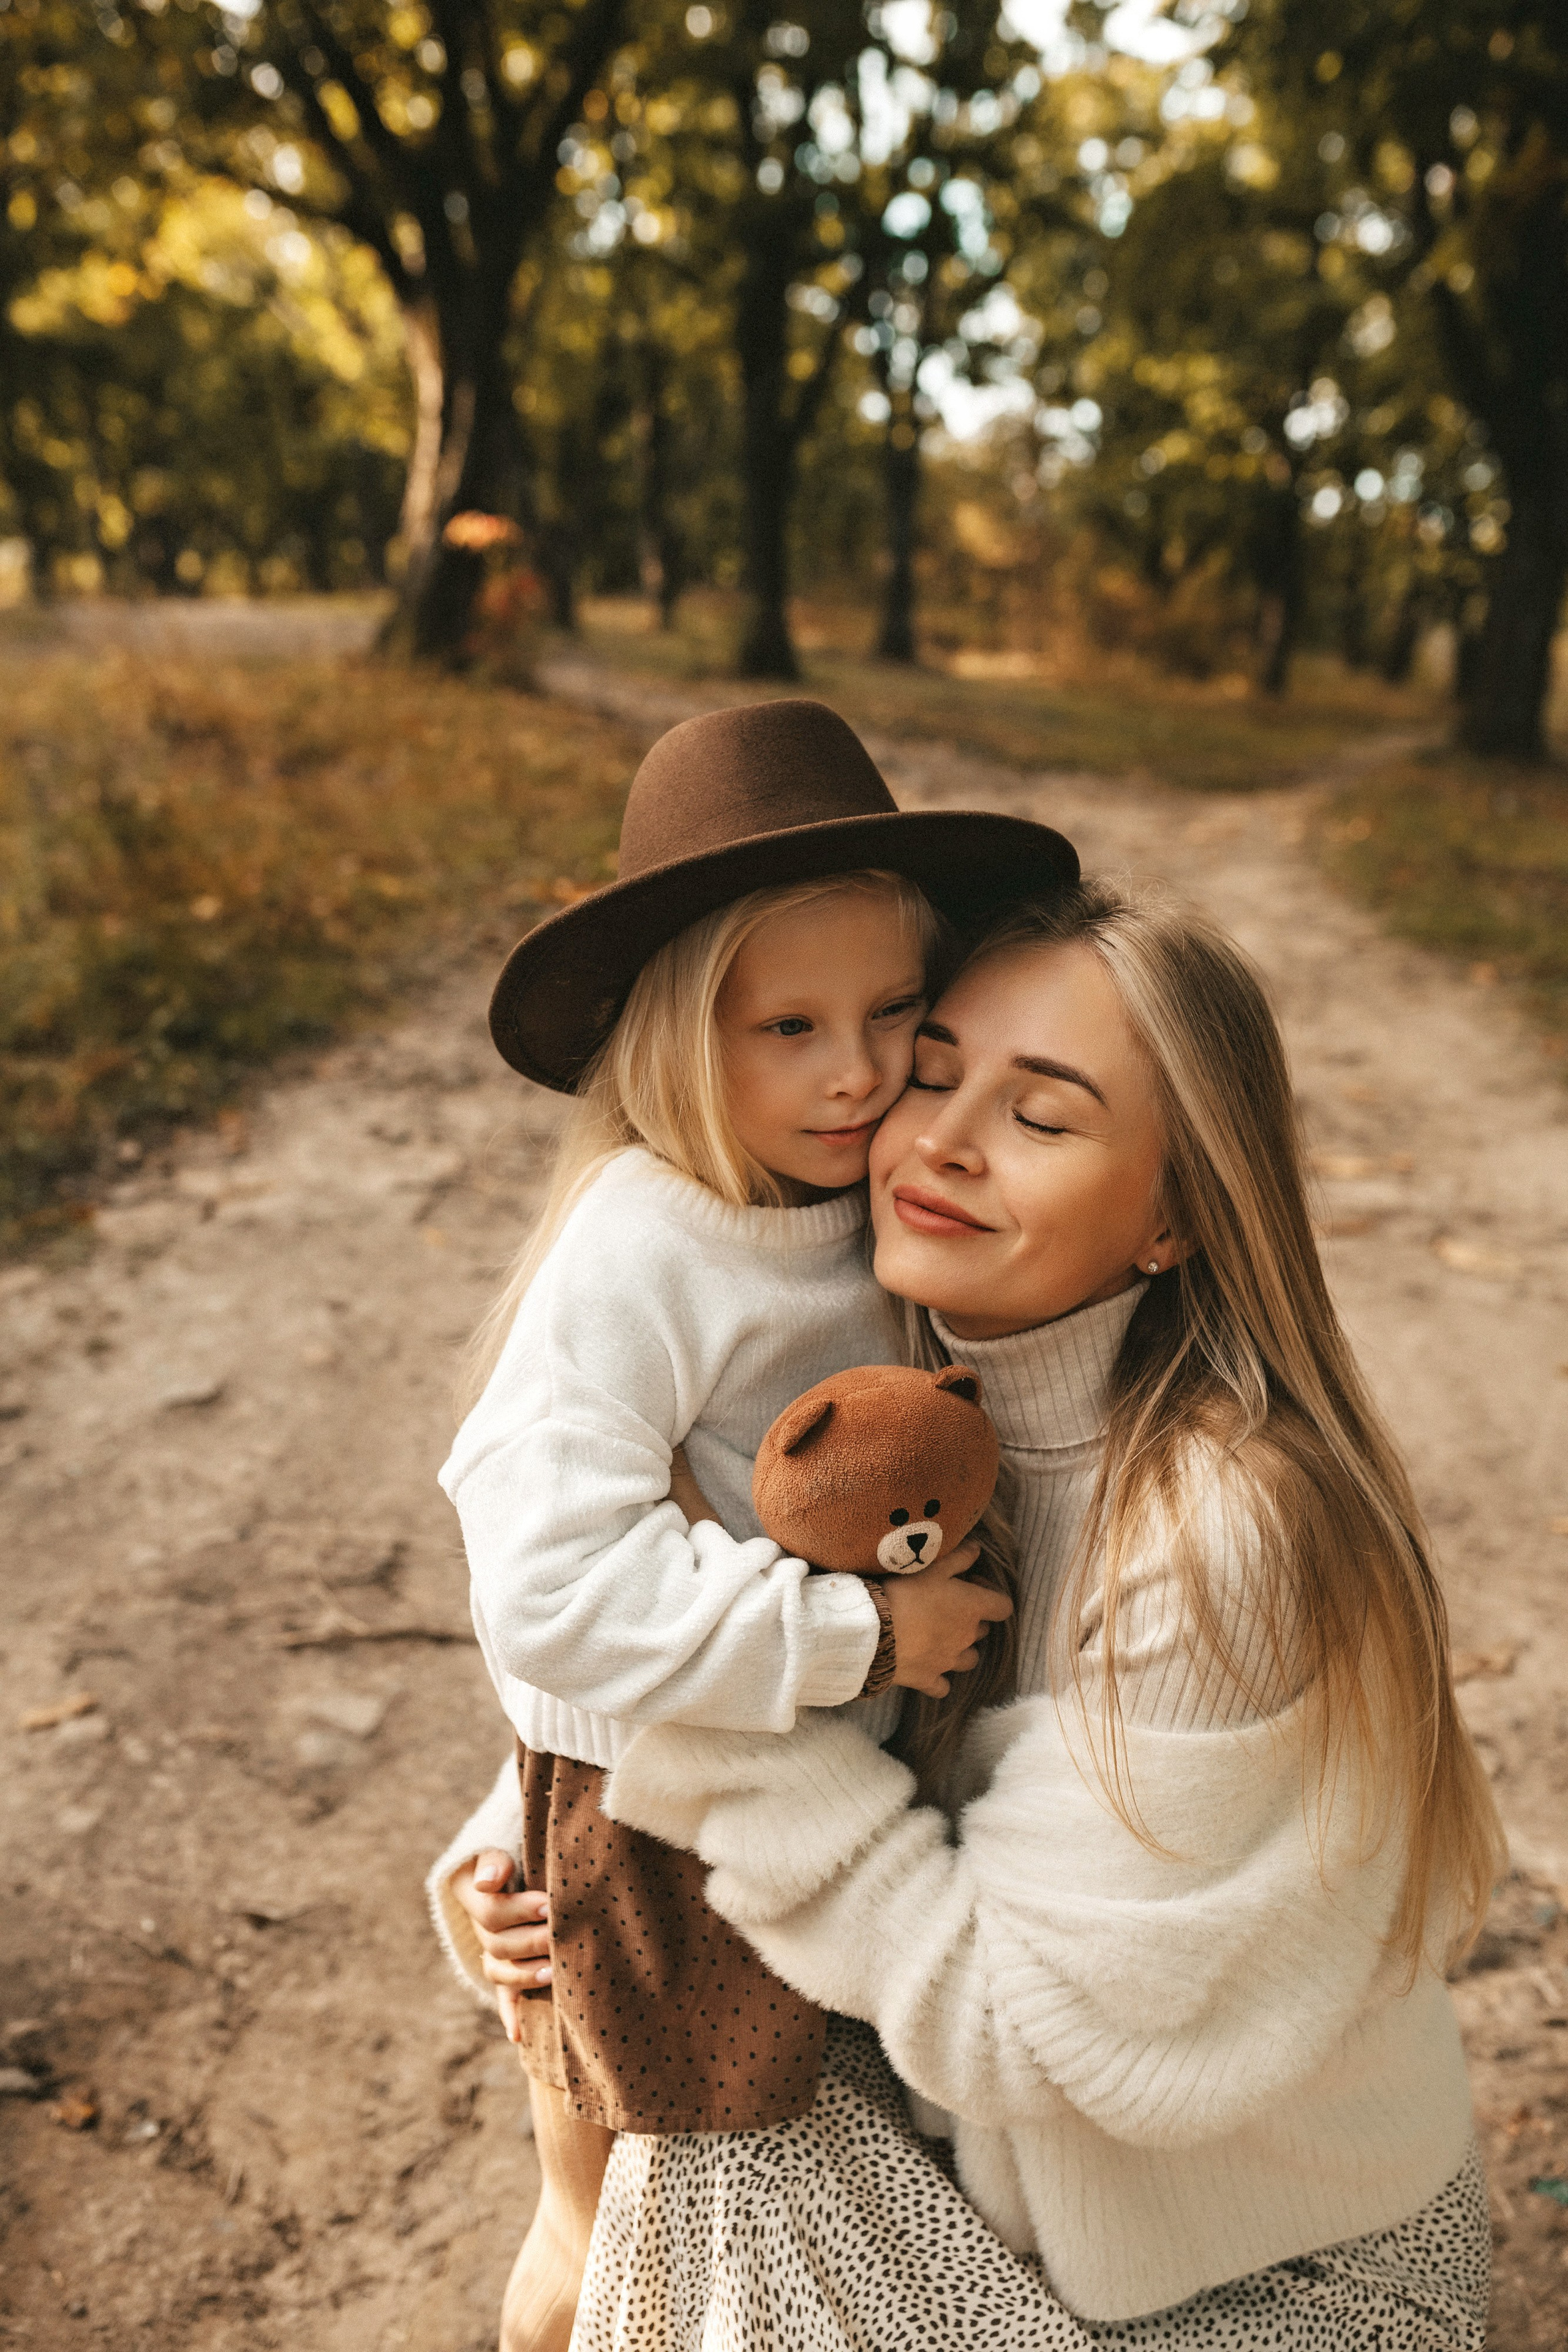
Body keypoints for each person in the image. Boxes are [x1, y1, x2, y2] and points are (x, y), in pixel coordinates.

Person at [470, 878, 1502, 2350]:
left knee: (716, 2167)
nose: (935, 1140)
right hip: (1014, 2195)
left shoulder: (1222, 1529)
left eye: (1041, 1115)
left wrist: (678, 1740)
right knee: (702, 2102)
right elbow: (686, 1648)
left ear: (1172, 1217)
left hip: (1266, 2285)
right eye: (935, 1070)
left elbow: (1016, 2026)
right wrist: (524, 1869)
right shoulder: (904, 1397)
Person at [426, 696, 1074, 2352]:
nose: (855, 1070)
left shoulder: (869, 1190)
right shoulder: (644, 1248)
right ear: (676, 1042)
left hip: (788, 1776)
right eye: (787, 1028)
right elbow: (553, 1585)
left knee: (803, 2180)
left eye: (892, 1010)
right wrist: (855, 1636)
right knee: (610, 2212)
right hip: (650, 1814)